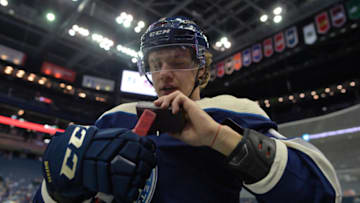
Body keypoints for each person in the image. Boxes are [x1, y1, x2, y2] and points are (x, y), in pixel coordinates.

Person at [33, 16, 341, 203]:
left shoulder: (230, 110)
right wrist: (58, 191)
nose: (165, 73)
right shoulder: (115, 117)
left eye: (178, 63)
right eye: (156, 65)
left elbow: (321, 193)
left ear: (201, 70)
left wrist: (220, 138)